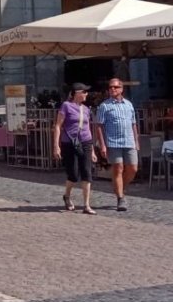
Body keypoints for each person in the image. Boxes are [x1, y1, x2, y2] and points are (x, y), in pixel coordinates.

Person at [52, 83, 96, 215]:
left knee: (87, 173)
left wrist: (92, 150)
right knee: (73, 174)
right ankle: (67, 196)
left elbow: (88, 129)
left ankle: (86, 205)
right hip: (70, 143)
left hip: (85, 142)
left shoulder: (86, 109)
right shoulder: (66, 106)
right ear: (76, 93)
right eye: (84, 92)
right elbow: (58, 126)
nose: (86, 94)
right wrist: (56, 146)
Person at [95, 78, 139, 212]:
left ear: (121, 89)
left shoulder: (129, 104)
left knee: (133, 168)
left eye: (115, 87)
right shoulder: (104, 106)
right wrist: (102, 145)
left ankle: (120, 187)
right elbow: (99, 126)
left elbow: (133, 124)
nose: (112, 89)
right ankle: (120, 198)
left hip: (129, 140)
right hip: (113, 142)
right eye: (110, 87)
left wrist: (136, 141)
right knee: (118, 168)